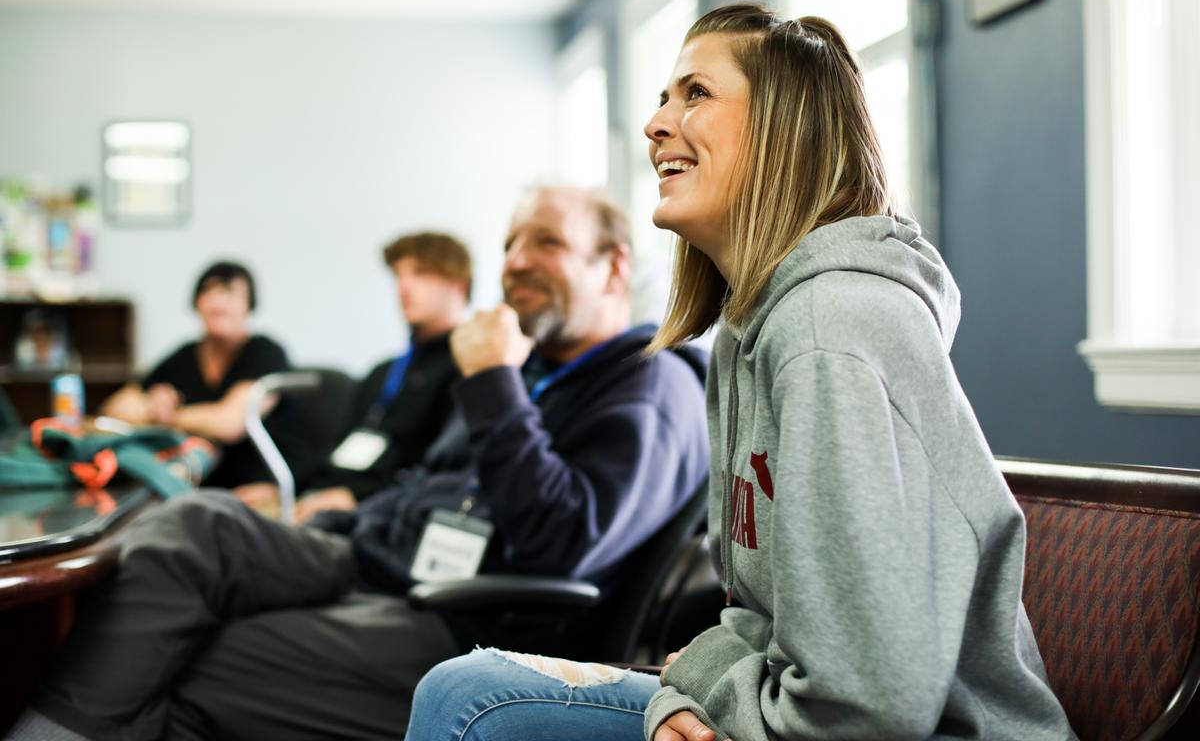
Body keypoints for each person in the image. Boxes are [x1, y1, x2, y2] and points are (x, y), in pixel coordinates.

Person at [404, 4, 1076, 741]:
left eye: (696, 93)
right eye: (663, 97)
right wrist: (683, 694)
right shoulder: (749, 330)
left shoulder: (832, 328)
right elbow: (751, 619)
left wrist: (702, 697)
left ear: (784, 132)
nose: (657, 123)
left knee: (470, 702)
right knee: (466, 688)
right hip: (787, 709)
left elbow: (867, 706)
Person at [8, 186, 709, 741]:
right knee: (195, 523)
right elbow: (430, 485)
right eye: (510, 242)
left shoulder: (649, 384)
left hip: (471, 620)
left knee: (201, 659)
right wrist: (347, 514)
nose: (515, 260)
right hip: (375, 553)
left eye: (547, 241)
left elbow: (563, 542)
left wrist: (493, 379)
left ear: (615, 265)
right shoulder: (536, 372)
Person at [235, 232, 473, 522]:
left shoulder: (468, 371)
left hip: (380, 515)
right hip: (321, 501)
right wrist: (283, 487)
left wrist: (358, 498)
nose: (404, 286)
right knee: (220, 512)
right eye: (399, 275)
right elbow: (338, 450)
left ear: (458, 284)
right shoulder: (383, 373)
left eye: (421, 273)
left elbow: (441, 473)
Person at [98, 260, 301, 489]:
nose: (219, 305)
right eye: (210, 294)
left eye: (230, 295)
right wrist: (150, 404)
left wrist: (166, 417)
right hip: (197, 483)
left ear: (249, 305)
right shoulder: (183, 356)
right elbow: (114, 409)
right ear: (197, 303)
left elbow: (230, 423)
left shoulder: (266, 352)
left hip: (259, 483)